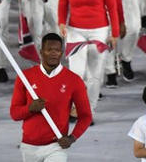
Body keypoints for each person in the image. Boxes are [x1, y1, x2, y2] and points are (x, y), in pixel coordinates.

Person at [10, 33, 92, 161]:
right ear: (41, 52)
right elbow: (14, 114)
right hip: (29, 146)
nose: (54, 53)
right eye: (49, 50)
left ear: (62, 53)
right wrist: (30, 108)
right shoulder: (25, 77)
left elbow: (86, 116)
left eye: (57, 50)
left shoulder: (74, 80)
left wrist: (72, 138)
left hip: (56, 146)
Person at [58, 0, 118, 116]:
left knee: (94, 75)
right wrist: (62, 22)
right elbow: (63, 4)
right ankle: (74, 106)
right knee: (77, 73)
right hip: (75, 30)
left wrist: (115, 34)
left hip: (99, 31)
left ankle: (88, 111)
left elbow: (112, 6)